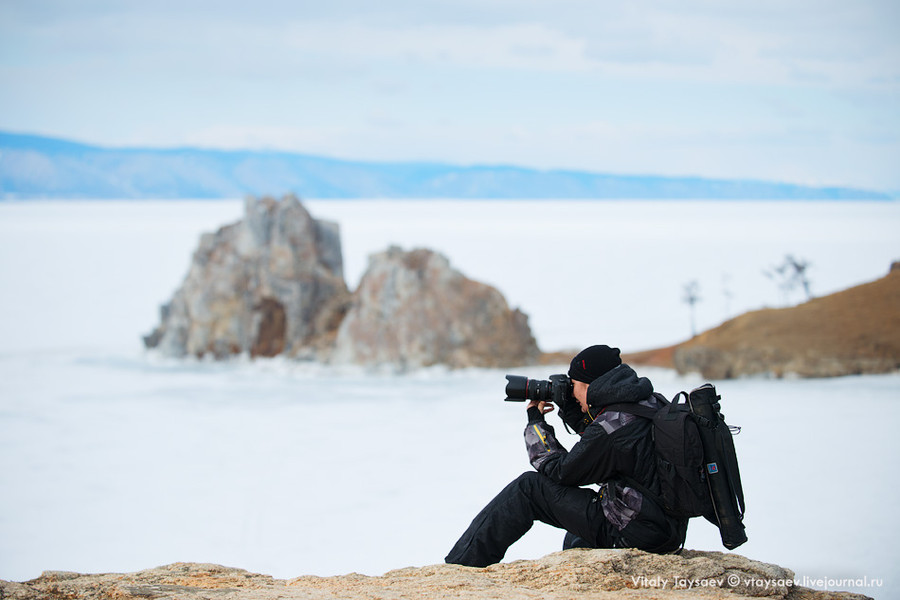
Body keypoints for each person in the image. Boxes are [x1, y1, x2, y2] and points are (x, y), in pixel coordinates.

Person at [445, 344, 687, 568]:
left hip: (635, 533)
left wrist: (535, 423)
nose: (572, 390)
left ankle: (460, 567)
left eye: (574, 385)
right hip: (663, 529)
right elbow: (604, 449)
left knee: (528, 488)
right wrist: (573, 408)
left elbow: (563, 472)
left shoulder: (611, 428)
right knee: (577, 537)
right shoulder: (646, 402)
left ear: (590, 385)